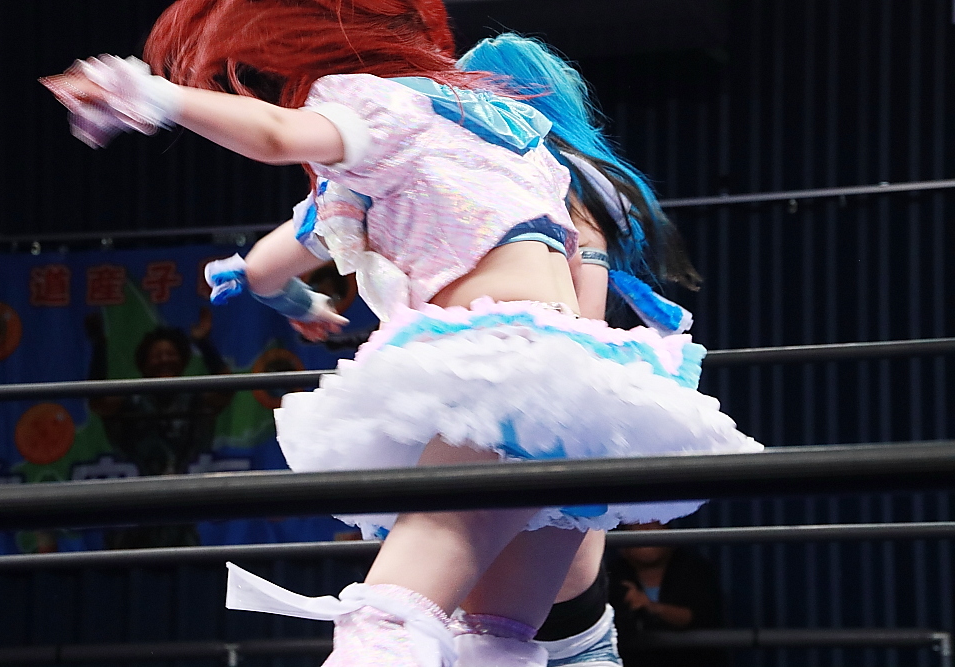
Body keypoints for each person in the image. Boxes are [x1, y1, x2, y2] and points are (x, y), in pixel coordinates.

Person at [43, 2, 760, 665]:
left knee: (390, 619)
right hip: (579, 390)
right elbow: (275, 262)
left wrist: (148, 95)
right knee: (496, 642)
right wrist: (301, 299)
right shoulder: (514, 133)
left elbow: (275, 141)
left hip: (498, 375)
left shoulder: (377, 106)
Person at [457, 34, 706, 667]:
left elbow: (580, 322)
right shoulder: (538, 182)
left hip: (523, 397)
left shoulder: (550, 184)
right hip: (520, 402)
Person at [85, 309, 232, 548]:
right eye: (157, 355)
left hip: (182, 502)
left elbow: (225, 392)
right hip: (139, 502)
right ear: (144, 364)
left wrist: (204, 344)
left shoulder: (193, 399)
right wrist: (99, 345)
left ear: (182, 361)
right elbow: (98, 402)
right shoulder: (132, 400)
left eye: (170, 354)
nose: (164, 360)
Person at [607, 522, 727, 667]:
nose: (645, 531)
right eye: (637, 526)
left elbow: (701, 618)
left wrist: (650, 606)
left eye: (654, 525)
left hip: (691, 659)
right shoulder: (612, 575)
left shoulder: (694, 569)